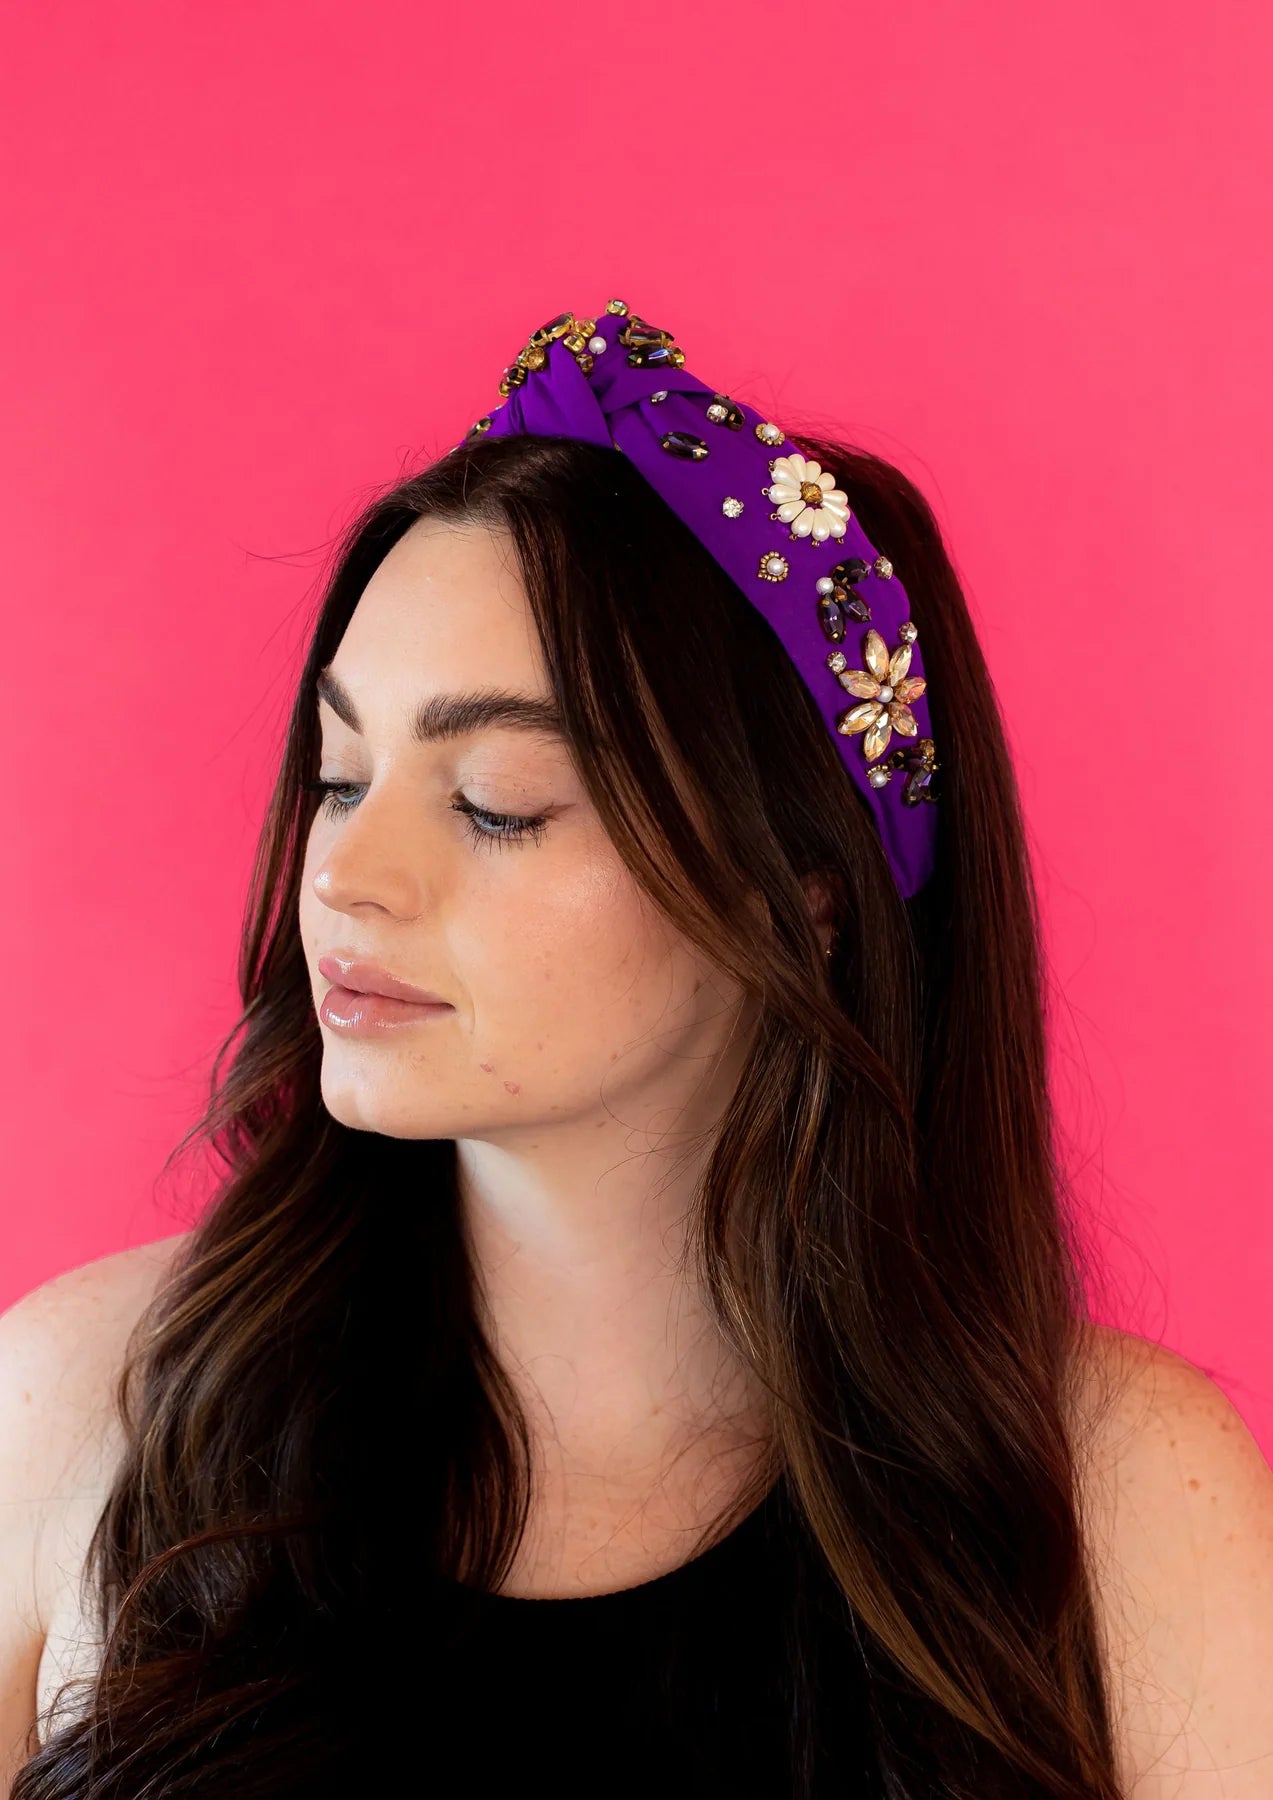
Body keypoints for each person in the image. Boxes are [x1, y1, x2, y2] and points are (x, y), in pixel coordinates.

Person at [2, 303, 1271, 1797]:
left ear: (803, 894)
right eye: (341, 777)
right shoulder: (82, 1410)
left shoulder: (1119, 1504)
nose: (343, 877)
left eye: (496, 802)